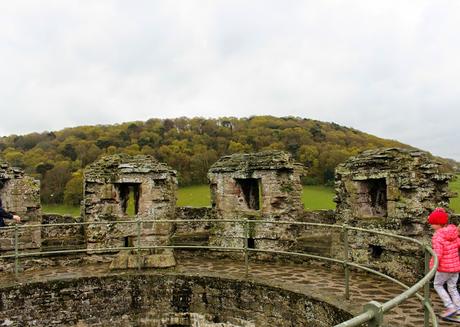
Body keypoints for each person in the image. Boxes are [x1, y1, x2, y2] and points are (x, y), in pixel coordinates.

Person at [428, 207, 460, 318]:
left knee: (438, 285)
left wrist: (432, 266)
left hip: (444, 268)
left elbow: (438, 254)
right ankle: (458, 308)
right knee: (452, 287)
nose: (431, 225)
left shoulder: (437, 236)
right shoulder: (454, 233)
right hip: (455, 267)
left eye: (432, 223)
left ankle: (450, 306)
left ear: (437, 224)